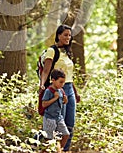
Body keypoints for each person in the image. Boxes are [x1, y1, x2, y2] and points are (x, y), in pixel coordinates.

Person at [39, 24, 81, 152]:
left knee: (70, 122)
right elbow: (46, 70)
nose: (68, 37)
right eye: (65, 35)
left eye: (69, 35)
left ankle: (64, 150)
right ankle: (52, 148)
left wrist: (75, 92)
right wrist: (42, 84)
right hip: (57, 90)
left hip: (69, 89)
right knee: (58, 122)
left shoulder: (68, 52)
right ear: (58, 35)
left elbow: (68, 76)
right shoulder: (52, 51)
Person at [42, 69, 69, 150]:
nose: (62, 84)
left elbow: (63, 103)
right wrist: (55, 98)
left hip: (58, 117)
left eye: (63, 82)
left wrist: (65, 100)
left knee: (66, 134)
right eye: (60, 82)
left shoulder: (61, 90)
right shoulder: (48, 91)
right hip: (49, 118)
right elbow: (44, 104)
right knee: (49, 140)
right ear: (53, 80)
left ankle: (58, 150)